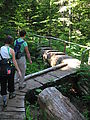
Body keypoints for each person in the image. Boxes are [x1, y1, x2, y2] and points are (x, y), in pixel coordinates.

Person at [0, 35, 22, 107]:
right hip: (10, 68)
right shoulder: (11, 50)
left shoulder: (1, 49)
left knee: (3, 83)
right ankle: (11, 94)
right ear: (11, 42)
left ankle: (4, 99)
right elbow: (14, 61)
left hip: (2, 69)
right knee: (10, 81)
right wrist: (18, 70)